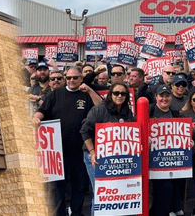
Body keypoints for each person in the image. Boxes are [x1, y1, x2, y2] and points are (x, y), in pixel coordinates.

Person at [32, 66, 97, 216]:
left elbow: (101, 107)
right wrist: (36, 118)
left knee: (79, 185)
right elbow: (43, 111)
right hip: (57, 150)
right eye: (68, 78)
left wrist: (90, 90)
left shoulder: (86, 94)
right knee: (57, 187)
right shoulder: (56, 94)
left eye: (75, 77)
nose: (71, 80)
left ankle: (76, 213)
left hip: (80, 149)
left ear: (81, 78)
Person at [80, 82, 135, 214]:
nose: (119, 96)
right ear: (110, 94)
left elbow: (132, 130)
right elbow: (84, 131)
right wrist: (93, 153)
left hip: (115, 158)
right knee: (101, 193)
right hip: (96, 157)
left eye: (123, 93)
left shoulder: (127, 111)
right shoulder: (100, 109)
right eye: (116, 93)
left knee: (114, 194)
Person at [149, 85, 183, 216]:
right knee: (164, 190)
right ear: (156, 97)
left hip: (170, 160)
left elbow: (180, 133)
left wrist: (187, 140)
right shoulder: (149, 110)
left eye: (167, 95)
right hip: (153, 160)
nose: (164, 98)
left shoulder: (174, 112)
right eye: (161, 95)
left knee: (163, 191)